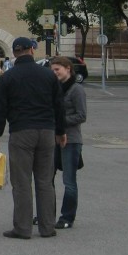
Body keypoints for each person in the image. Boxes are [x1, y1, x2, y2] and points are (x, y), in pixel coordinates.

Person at [0, 37, 66, 239]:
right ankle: (47, 227)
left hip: (21, 132)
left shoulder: (8, 77)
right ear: (32, 50)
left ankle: (23, 228)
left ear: (14, 53)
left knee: (22, 182)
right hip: (47, 131)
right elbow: (59, 105)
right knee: (45, 181)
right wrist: (61, 131)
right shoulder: (48, 76)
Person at [50, 56, 86, 230]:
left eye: (58, 69)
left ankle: (67, 217)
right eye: (53, 70)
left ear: (68, 69)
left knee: (69, 181)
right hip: (52, 138)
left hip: (71, 140)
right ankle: (46, 213)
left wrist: (59, 121)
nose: (54, 72)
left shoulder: (76, 89)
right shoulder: (54, 88)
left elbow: (81, 115)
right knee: (47, 178)